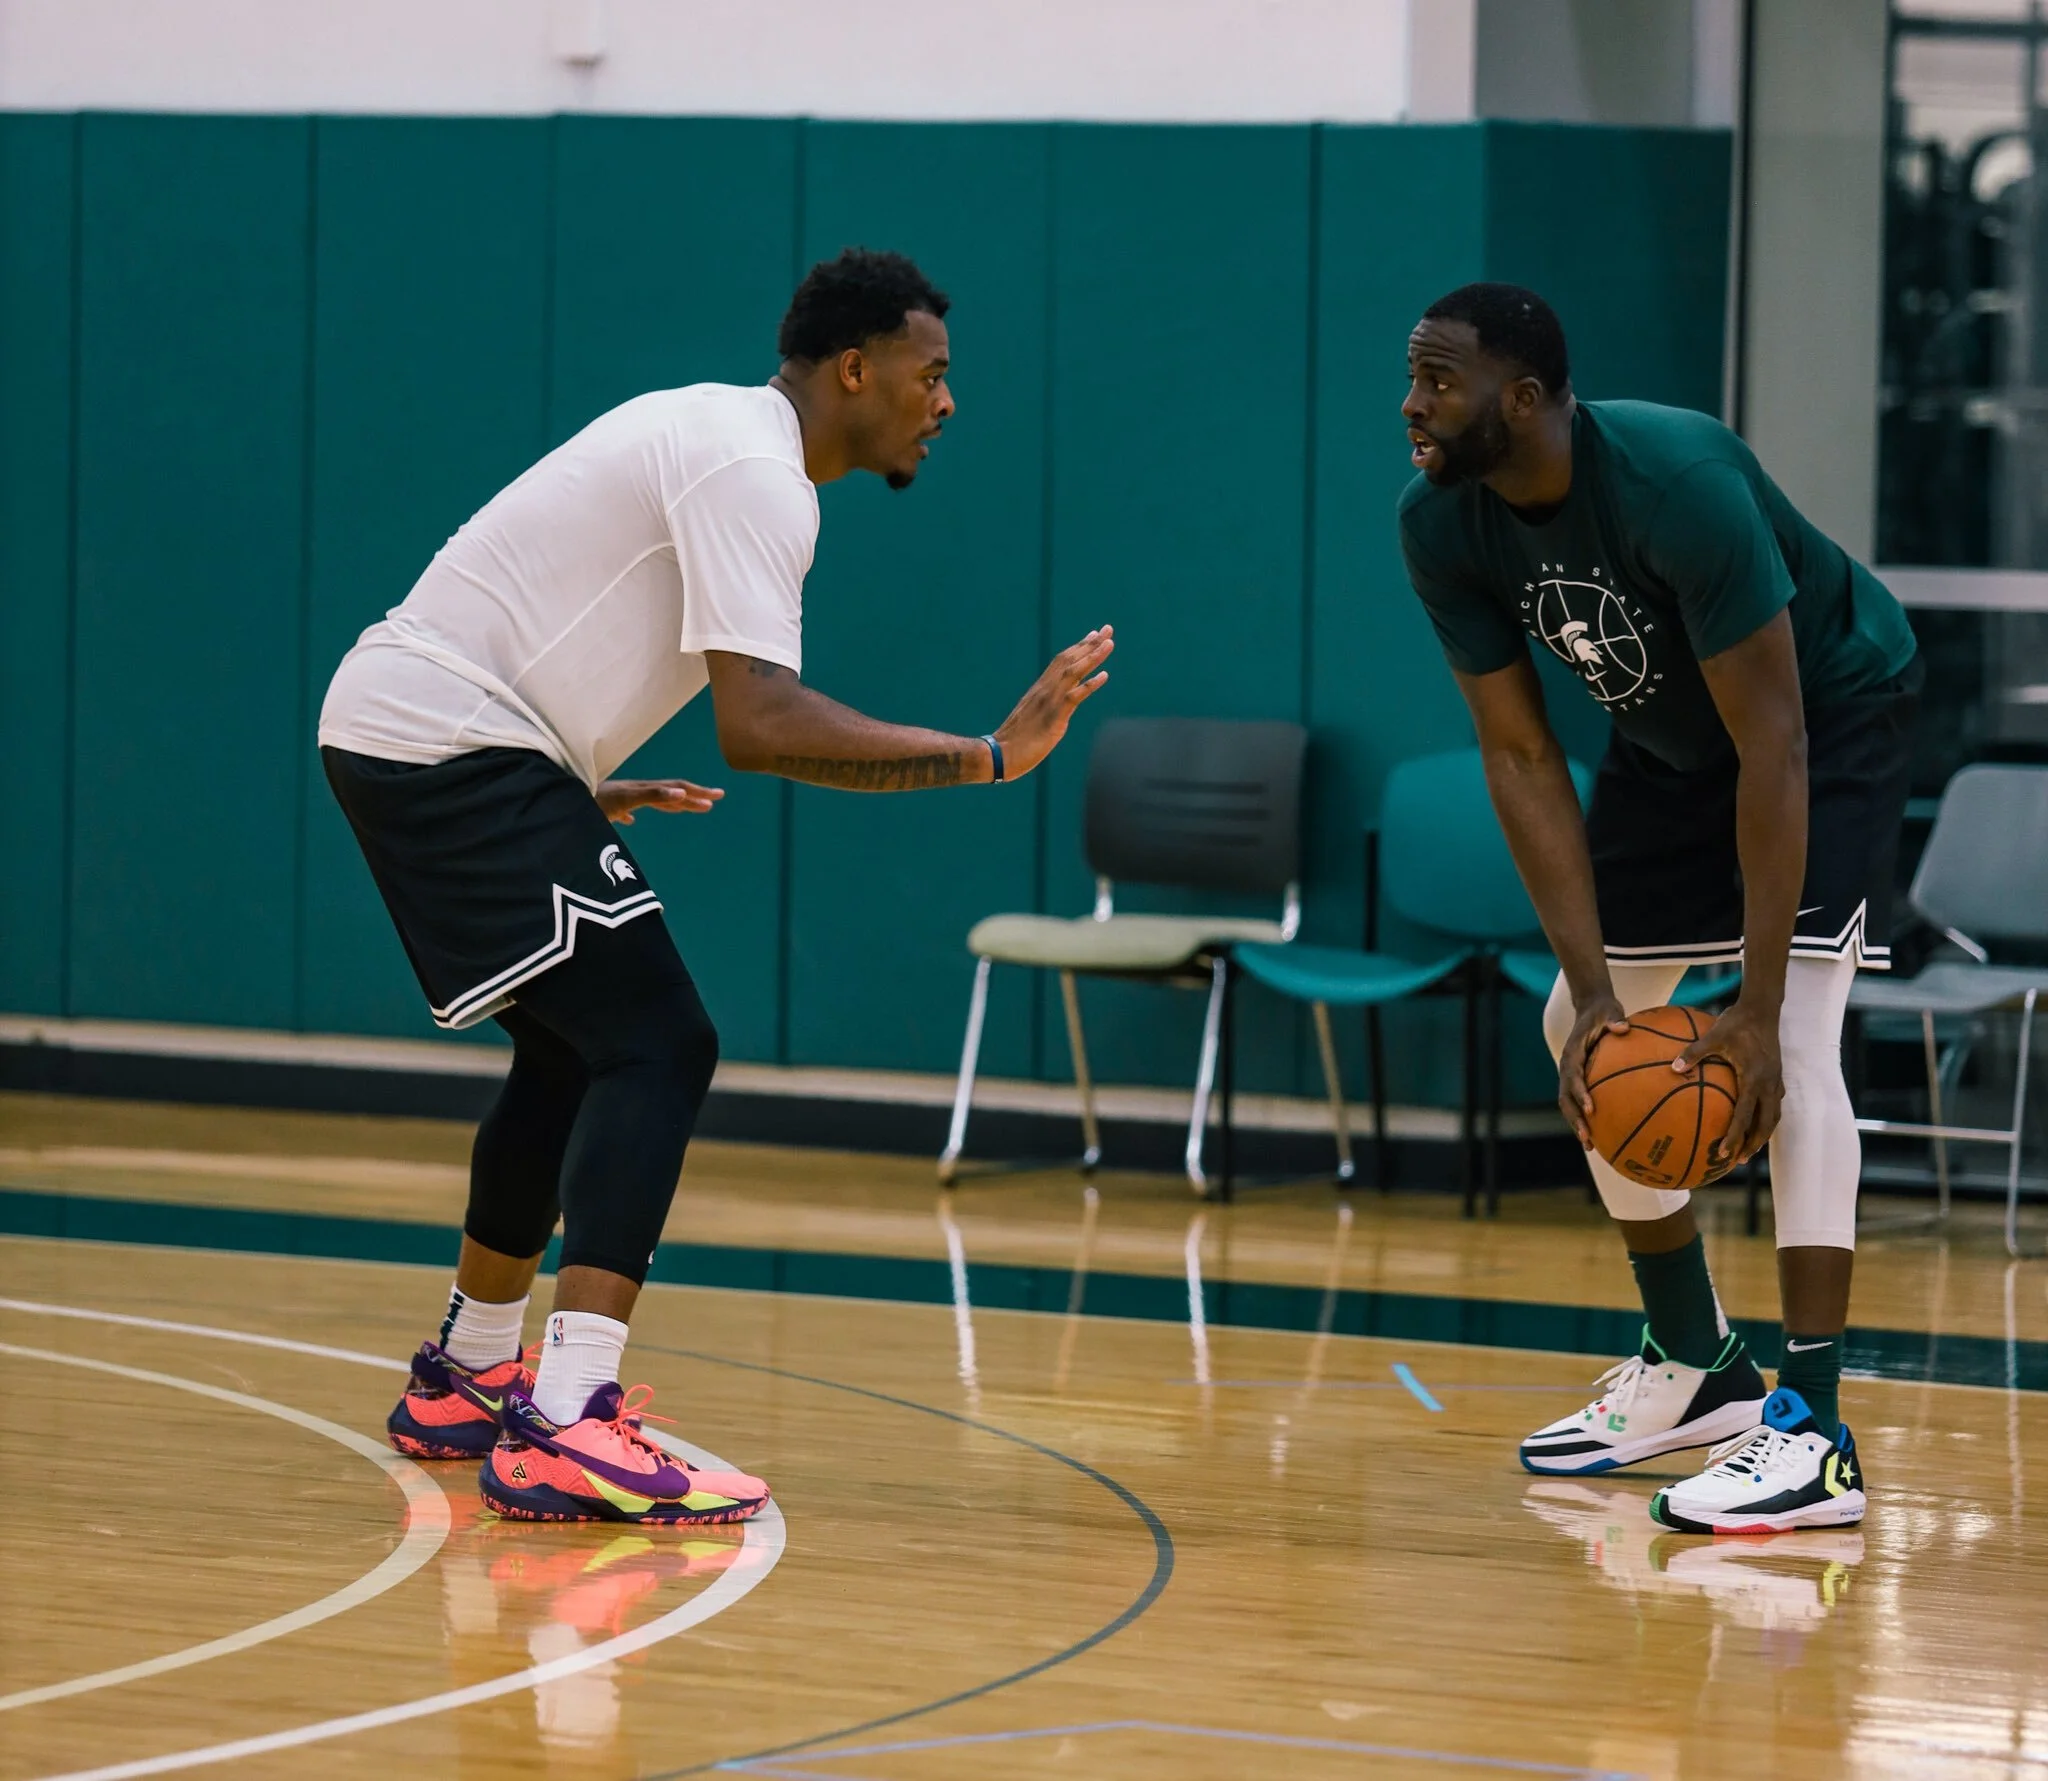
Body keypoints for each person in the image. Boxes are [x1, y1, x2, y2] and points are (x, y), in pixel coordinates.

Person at [318, 247, 1114, 1523]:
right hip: (455, 742)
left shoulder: (715, 430)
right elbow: (761, 719)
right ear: (854, 370)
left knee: (577, 1050)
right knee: (661, 1039)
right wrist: (986, 755)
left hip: (425, 732)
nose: (947, 401)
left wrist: (569, 778)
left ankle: (468, 1374)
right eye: (933, 373)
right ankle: (570, 1416)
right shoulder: (755, 472)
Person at [1397, 282, 1920, 1534]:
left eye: (1438, 381)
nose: (1410, 405)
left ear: (1521, 400)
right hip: (1672, 744)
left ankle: (1811, 1432)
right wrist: (1585, 990)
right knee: (1568, 1036)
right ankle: (1696, 1363)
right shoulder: (1440, 524)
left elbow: (1776, 745)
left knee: (1788, 1044)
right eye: (1411, 378)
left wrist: (1741, 1007)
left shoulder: (1674, 483)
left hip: (1825, 717)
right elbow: (1521, 757)